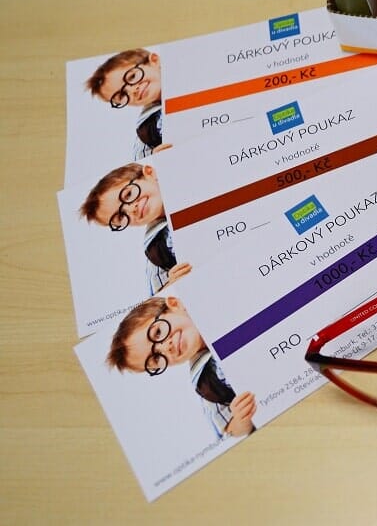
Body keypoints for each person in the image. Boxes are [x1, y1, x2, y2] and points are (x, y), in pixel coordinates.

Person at [107, 295, 256, 438]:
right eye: (156, 357)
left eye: (157, 332)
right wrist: (241, 420)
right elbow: (228, 428)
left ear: (175, 304)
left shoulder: (219, 304)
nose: (166, 347)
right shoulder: (206, 382)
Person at [78, 162, 190, 294]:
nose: (131, 209)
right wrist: (172, 284)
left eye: (128, 194)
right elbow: (158, 298)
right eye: (121, 216)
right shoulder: (156, 249)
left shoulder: (185, 177)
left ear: (150, 173)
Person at [85, 48, 167, 158]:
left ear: (155, 60)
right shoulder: (146, 128)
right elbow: (140, 160)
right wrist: (156, 157)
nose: (132, 90)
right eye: (122, 95)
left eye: (132, 77)